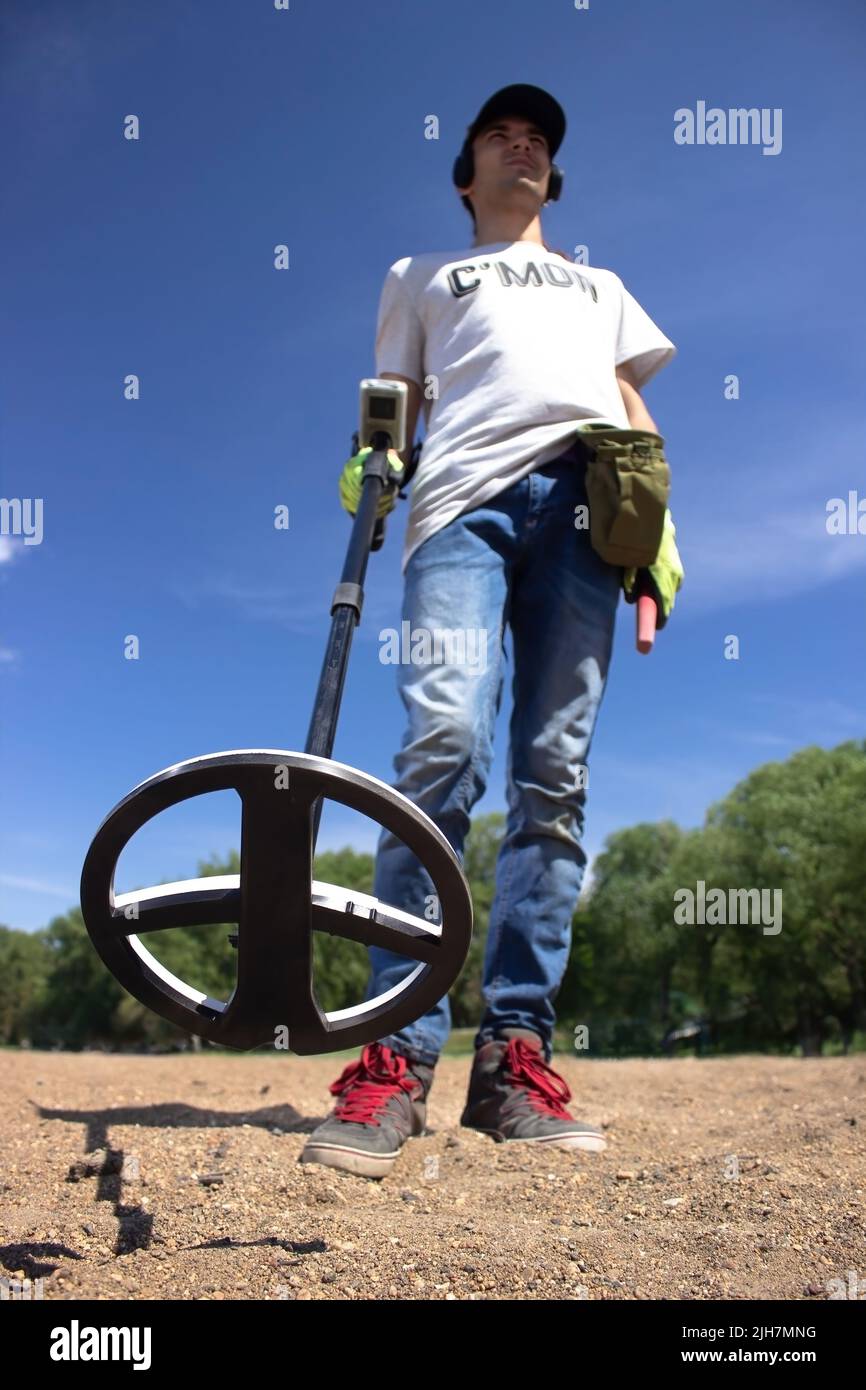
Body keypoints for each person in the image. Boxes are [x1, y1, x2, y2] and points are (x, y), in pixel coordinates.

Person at [301, 84, 683, 1179]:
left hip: (584, 508)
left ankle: (514, 1058)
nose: (523, 146)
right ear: (464, 172)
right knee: (442, 748)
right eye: (499, 136)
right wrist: (373, 456)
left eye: (538, 141)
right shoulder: (420, 275)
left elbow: (625, 400)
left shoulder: (598, 285)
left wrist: (657, 531)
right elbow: (396, 395)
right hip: (457, 507)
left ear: (550, 175)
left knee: (552, 776)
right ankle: (392, 1054)